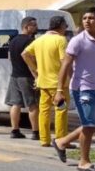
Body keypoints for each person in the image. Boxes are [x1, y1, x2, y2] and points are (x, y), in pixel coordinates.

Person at [52, 7, 95, 171]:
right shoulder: (77, 40)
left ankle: (61, 142)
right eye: (84, 18)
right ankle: (83, 161)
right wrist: (59, 90)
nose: (86, 20)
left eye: (91, 18)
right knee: (88, 125)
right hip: (81, 88)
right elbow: (65, 65)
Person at [21, 16, 70, 147]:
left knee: (44, 111)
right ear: (60, 26)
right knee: (60, 111)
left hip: (43, 83)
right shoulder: (60, 40)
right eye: (66, 26)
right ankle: (61, 139)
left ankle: (44, 139)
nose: (66, 28)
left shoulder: (39, 40)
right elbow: (63, 62)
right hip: (58, 84)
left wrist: (35, 70)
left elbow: (24, 54)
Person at [6, 17, 40, 139]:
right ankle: (36, 132)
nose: (36, 27)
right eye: (34, 25)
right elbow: (31, 58)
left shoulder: (13, 40)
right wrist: (36, 74)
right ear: (26, 27)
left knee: (16, 104)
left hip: (14, 76)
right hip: (27, 77)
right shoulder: (30, 41)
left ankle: (14, 131)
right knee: (33, 104)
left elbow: (9, 57)